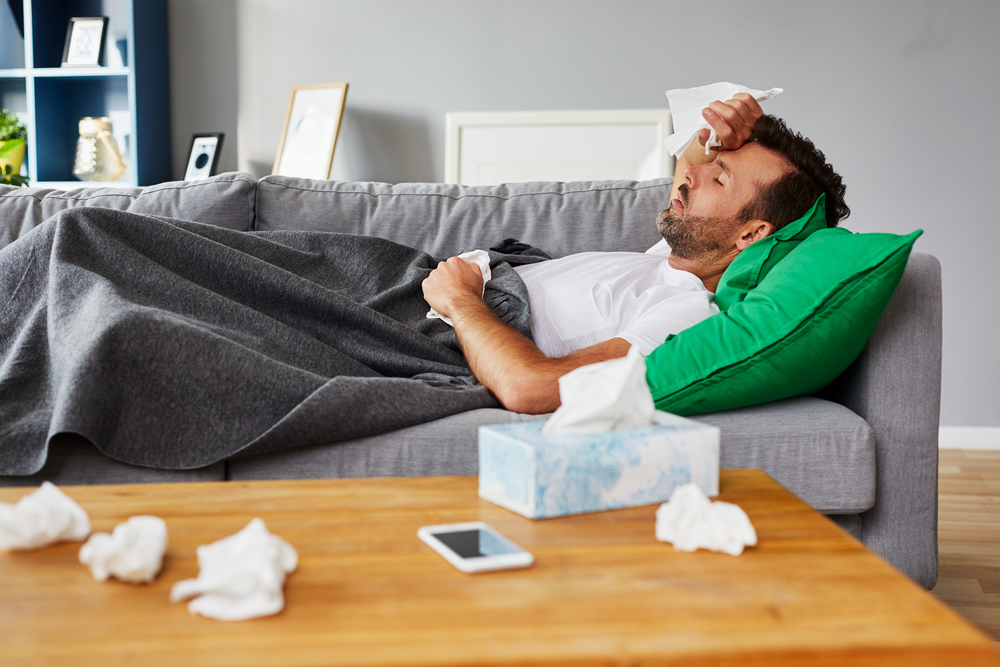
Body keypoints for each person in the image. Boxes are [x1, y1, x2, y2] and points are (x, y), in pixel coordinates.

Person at [422, 94, 848, 415]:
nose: (692, 174)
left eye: (719, 178)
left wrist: (460, 299)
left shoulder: (687, 313)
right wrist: (727, 133)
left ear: (751, 234)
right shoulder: (676, 254)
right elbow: (691, 169)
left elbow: (529, 388)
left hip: (440, 319)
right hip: (425, 284)